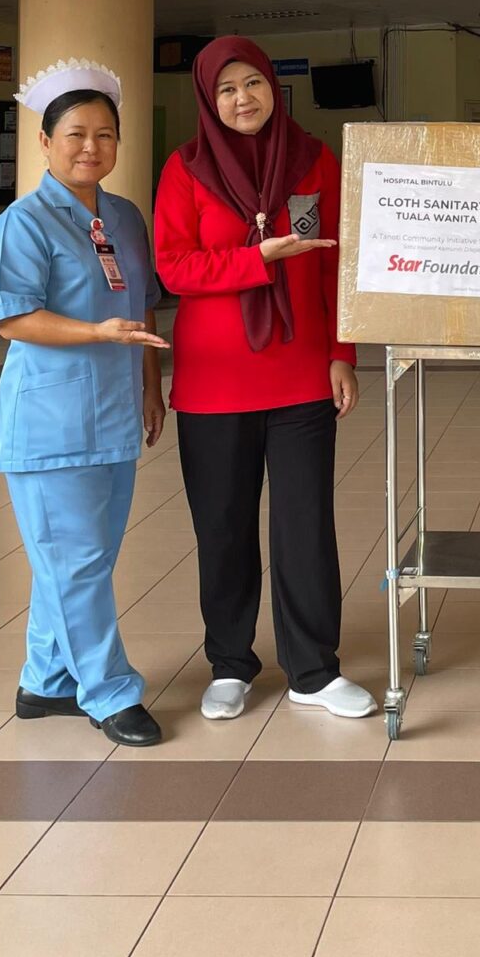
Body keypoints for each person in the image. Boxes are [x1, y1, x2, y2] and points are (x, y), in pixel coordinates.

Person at [154, 36, 375, 722]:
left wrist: (342, 351)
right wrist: (257, 260)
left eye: (252, 83)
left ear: (274, 88)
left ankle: (313, 669)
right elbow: (174, 266)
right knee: (223, 527)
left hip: (302, 372)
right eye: (226, 89)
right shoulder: (186, 168)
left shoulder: (313, 159)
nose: (242, 98)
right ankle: (230, 664)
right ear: (207, 99)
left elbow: (338, 260)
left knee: (306, 526)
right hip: (215, 380)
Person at [0, 61, 168, 747]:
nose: (92, 146)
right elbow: (14, 318)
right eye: (76, 134)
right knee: (78, 563)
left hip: (114, 414)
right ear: (45, 141)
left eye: (105, 134)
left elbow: (142, 304)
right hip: (51, 423)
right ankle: (110, 692)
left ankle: (45, 680)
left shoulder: (125, 217)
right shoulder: (23, 223)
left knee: (80, 560)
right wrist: (96, 333)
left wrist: (150, 385)